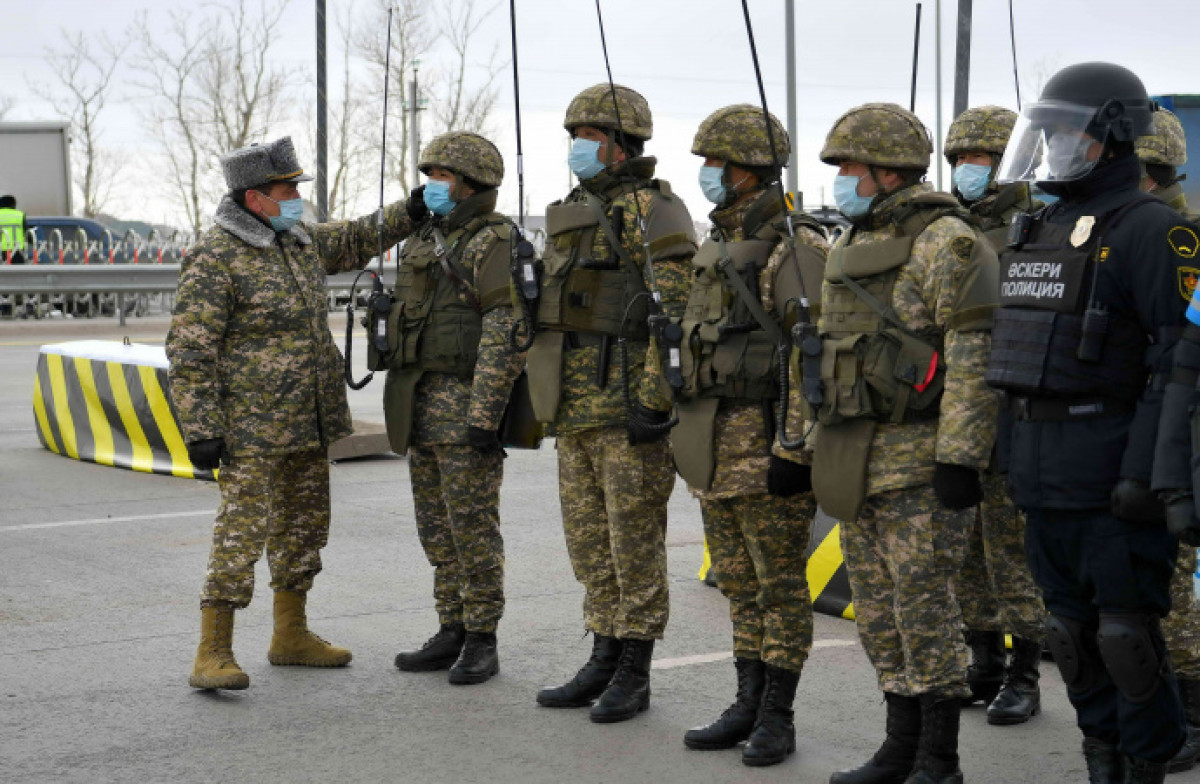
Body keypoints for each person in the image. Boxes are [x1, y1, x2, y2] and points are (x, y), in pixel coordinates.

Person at [988, 62, 1191, 783]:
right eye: (1047, 132)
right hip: (1043, 475)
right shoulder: (1042, 228)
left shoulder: (1155, 232)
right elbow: (1014, 356)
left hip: (1113, 481)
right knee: (1068, 638)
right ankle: (1101, 760)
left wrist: (1147, 474)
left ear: (1110, 134)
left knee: (1125, 640)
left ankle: (1144, 764)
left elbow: (1179, 368)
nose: (1053, 146)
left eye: (1067, 131)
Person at [167, 136, 419, 691]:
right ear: (255, 197)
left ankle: (291, 635)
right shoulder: (218, 254)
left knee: (304, 529)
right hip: (250, 429)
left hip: (309, 419)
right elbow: (189, 348)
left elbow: (356, 238)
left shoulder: (299, 239)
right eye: (287, 190)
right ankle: (213, 651)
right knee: (241, 535)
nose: (296, 199)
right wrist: (201, 427)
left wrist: (414, 207)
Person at [812, 102, 999, 784]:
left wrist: (960, 456)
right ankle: (899, 744)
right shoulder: (850, 243)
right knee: (881, 616)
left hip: (921, 465)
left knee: (925, 613)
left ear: (889, 173)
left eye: (851, 168)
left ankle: (938, 758)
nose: (841, 179)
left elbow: (974, 356)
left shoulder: (948, 242)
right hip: (855, 459)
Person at [526, 83, 696, 723]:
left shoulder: (653, 210)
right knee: (589, 544)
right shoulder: (572, 210)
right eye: (573, 137)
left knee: (634, 545)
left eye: (588, 137)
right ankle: (602, 652)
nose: (577, 149)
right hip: (576, 411)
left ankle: (635, 669)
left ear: (621, 145)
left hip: (628, 413)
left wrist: (652, 402)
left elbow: (674, 310)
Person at [673, 105, 828, 766]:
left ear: (747, 170)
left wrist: (796, 451)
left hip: (765, 450)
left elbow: (810, 358)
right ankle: (745, 701)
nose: (707, 174)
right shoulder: (716, 244)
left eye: (715, 163)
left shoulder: (796, 245)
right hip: (714, 447)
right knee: (738, 584)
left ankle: (777, 715)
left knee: (780, 588)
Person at [385, 131, 524, 686]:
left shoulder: (494, 240)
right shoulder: (425, 235)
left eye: (440, 177)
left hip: (465, 404)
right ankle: (451, 627)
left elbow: (505, 325)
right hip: (419, 400)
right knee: (435, 527)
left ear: (468, 185)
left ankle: (482, 637)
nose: (430, 186)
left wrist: (485, 414)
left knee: (471, 527)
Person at [944, 105, 1046, 727]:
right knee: (966, 552)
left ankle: (1025, 673)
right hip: (959, 407)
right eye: (957, 159)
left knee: (1010, 550)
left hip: (1012, 409)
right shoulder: (950, 227)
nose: (964, 170)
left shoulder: (1036, 226)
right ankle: (982, 662)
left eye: (976, 158)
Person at [1137, 107, 1200, 774]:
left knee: (1173, 584)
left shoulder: (1181, 238)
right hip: (1141, 429)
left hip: (1174, 433)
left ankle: (1191, 714)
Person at [0, 194, 28, 265]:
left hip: (1, 251)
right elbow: (26, 233)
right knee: (18, 274)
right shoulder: (20, 215)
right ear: (13, 204)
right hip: (17, 251)